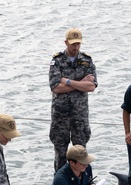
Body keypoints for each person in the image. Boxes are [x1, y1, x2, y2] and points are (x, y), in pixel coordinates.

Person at [49, 27, 98, 172]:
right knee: (61, 154)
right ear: (66, 43)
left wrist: (68, 81)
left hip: (79, 115)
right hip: (60, 115)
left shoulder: (86, 61)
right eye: (73, 44)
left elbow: (91, 86)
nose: (76, 47)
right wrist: (80, 82)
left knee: (81, 153)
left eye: (78, 44)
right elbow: (55, 87)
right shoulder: (57, 61)